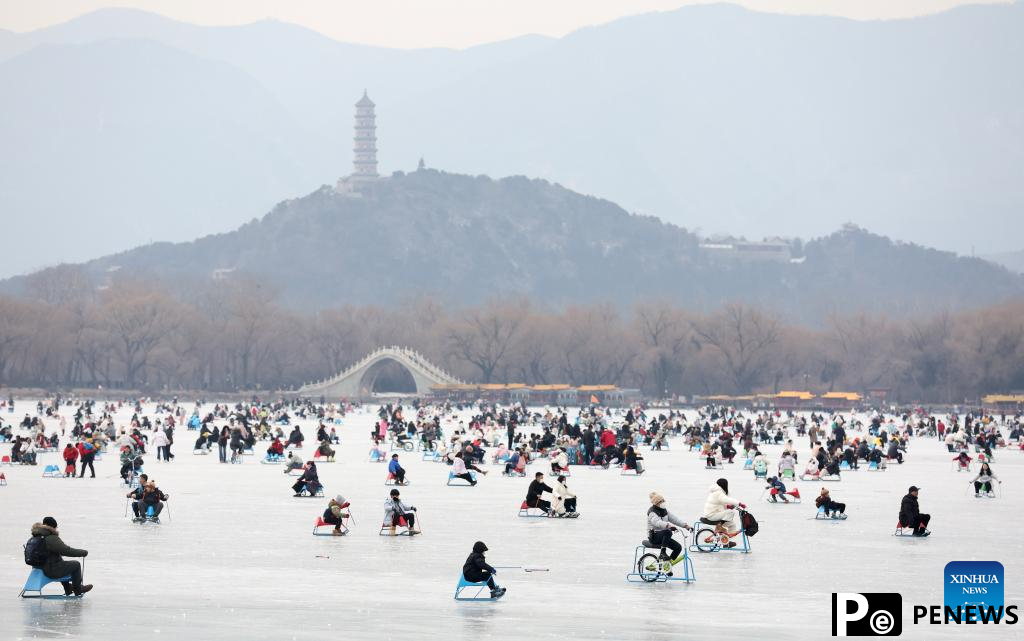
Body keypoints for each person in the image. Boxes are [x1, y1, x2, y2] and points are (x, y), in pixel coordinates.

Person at [28, 516, 92, 596]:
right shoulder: (50, 538)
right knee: (76, 565)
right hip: (50, 570)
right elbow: (65, 550)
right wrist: (83, 552)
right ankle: (78, 589)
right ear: (53, 527)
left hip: (38, 568)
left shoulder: (35, 537)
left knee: (62, 563)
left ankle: (68, 588)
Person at [645, 492, 692, 571]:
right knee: (668, 532)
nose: (663, 502)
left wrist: (686, 526)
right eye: (661, 501)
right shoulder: (652, 512)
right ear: (656, 503)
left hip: (663, 536)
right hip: (654, 536)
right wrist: (667, 525)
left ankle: (667, 566)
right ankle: (663, 553)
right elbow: (657, 522)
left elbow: (674, 519)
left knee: (678, 547)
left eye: (663, 500)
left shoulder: (664, 510)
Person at [701, 478, 746, 547]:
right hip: (711, 515)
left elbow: (720, 502)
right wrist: (739, 503)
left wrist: (727, 506)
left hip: (714, 513)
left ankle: (725, 542)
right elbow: (726, 499)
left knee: (732, 525)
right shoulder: (718, 492)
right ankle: (719, 525)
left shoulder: (716, 492)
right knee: (731, 512)